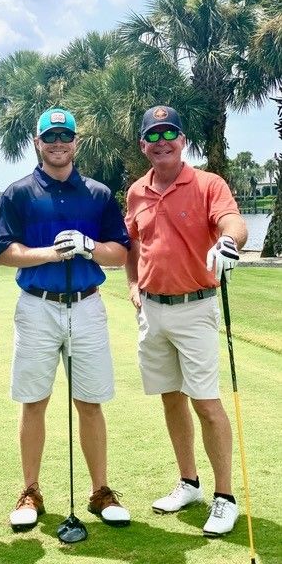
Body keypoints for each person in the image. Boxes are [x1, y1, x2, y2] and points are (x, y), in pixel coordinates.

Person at [0, 107, 131, 531]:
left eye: (64, 136)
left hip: (86, 304)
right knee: (34, 401)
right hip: (36, 306)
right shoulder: (18, 193)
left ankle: (100, 490)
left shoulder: (99, 194)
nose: (57, 144)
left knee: (90, 402)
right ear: (37, 142)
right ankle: (30, 490)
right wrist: (51, 253)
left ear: (76, 142)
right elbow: (3, 252)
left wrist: (89, 245)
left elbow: (121, 253)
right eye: (49, 137)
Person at [125, 105, 248, 536]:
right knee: (170, 397)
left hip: (196, 307)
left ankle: (225, 497)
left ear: (183, 141)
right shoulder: (137, 191)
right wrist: (133, 285)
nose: (162, 142)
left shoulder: (208, 183)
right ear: (144, 145)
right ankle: (189, 482)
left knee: (206, 403)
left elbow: (231, 220)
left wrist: (230, 241)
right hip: (152, 311)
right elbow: (134, 245)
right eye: (153, 136)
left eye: (169, 134)